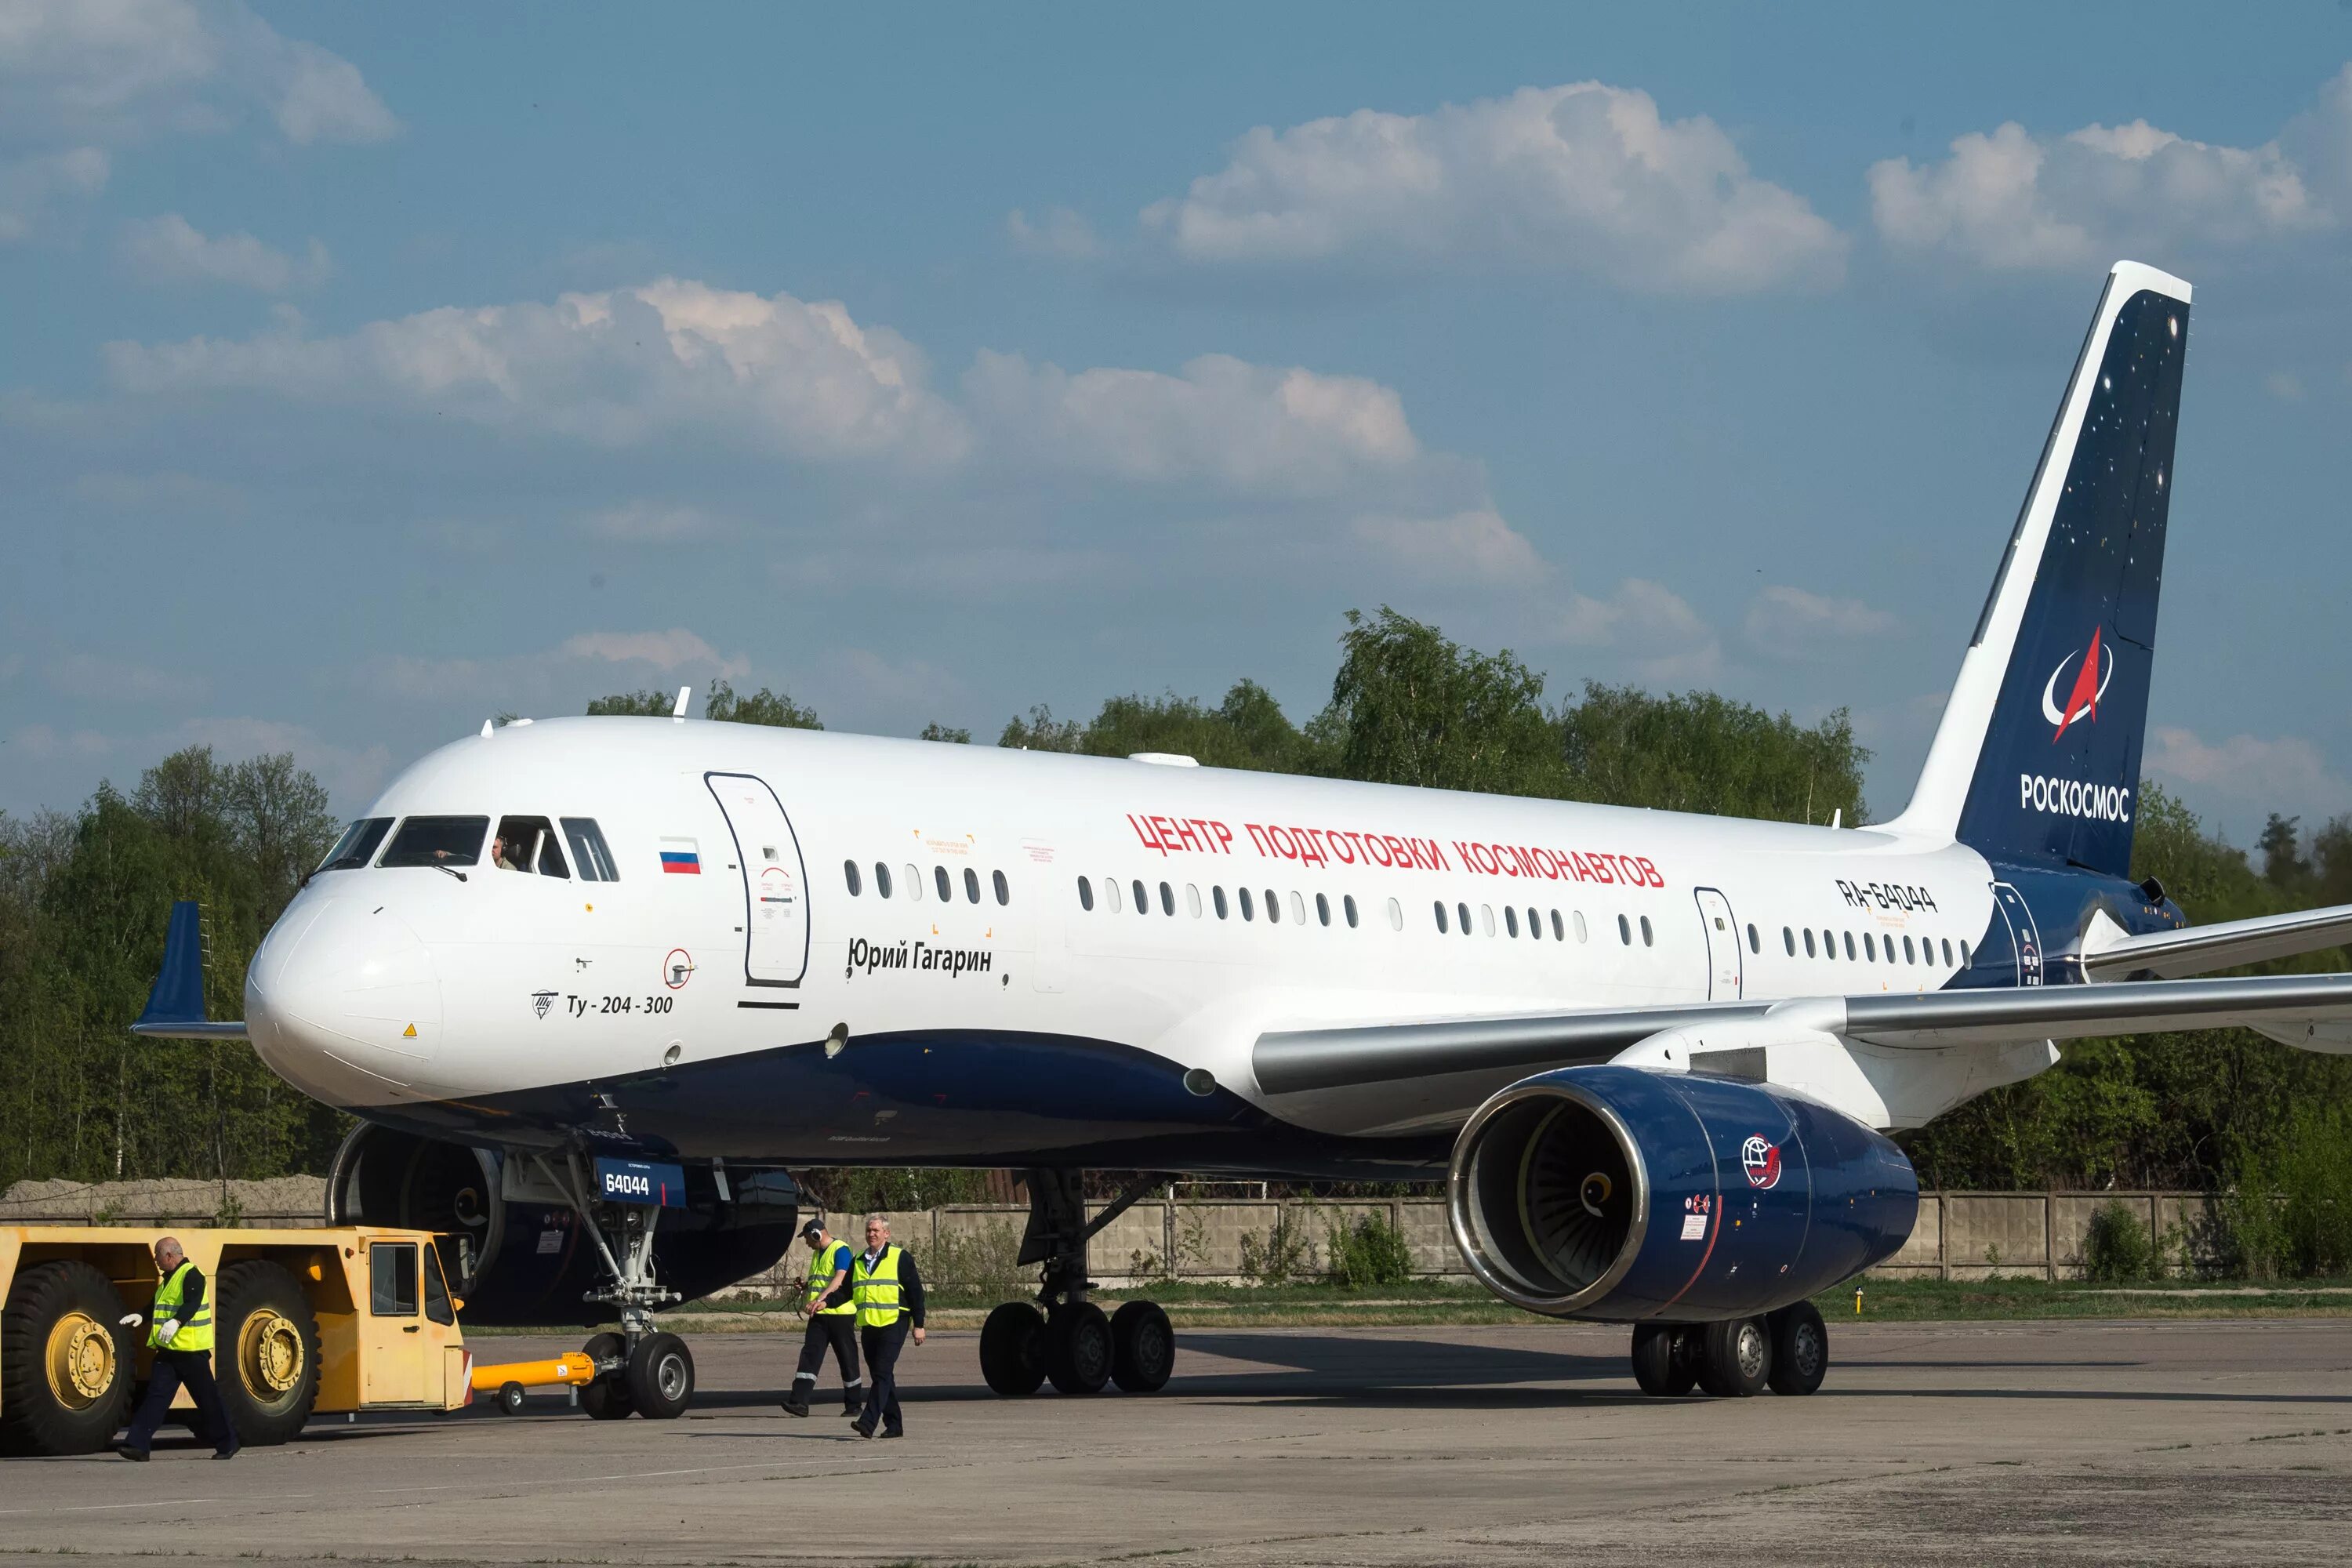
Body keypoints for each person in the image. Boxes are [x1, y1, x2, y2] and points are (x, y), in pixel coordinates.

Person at [118, 1236, 238, 1461]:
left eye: (158, 1256)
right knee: (155, 1397)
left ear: (170, 1256)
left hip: (191, 1353)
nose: (156, 1261)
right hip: (169, 1352)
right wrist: (141, 1316)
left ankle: (228, 1443)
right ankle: (137, 1446)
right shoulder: (168, 1280)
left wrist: (176, 1322)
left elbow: (191, 1304)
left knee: (208, 1401)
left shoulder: (192, 1274)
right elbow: (156, 1306)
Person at [848, 1214, 924, 1440]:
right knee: (883, 1375)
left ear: (886, 1233)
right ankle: (894, 1424)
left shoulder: (900, 1257)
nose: (871, 1234)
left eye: (876, 1230)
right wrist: (824, 1301)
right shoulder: (859, 1259)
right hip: (870, 1323)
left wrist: (919, 1324)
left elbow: (916, 1294)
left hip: (895, 1321)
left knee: (882, 1372)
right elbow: (845, 1290)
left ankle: (868, 1421)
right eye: (869, 1230)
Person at [782, 1218, 863, 1418]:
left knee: (847, 1358)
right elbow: (822, 1279)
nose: (807, 1243)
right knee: (810, 1355)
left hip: (840, 1314)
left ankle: (854, 1405)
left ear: (817, 1234)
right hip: (819, 1315)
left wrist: (820, 1299)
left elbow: (840, 1278)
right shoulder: (819, 1254)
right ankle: (799, 1402)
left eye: (808, 1239)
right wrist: (807, 1286)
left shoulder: (840, 1249)